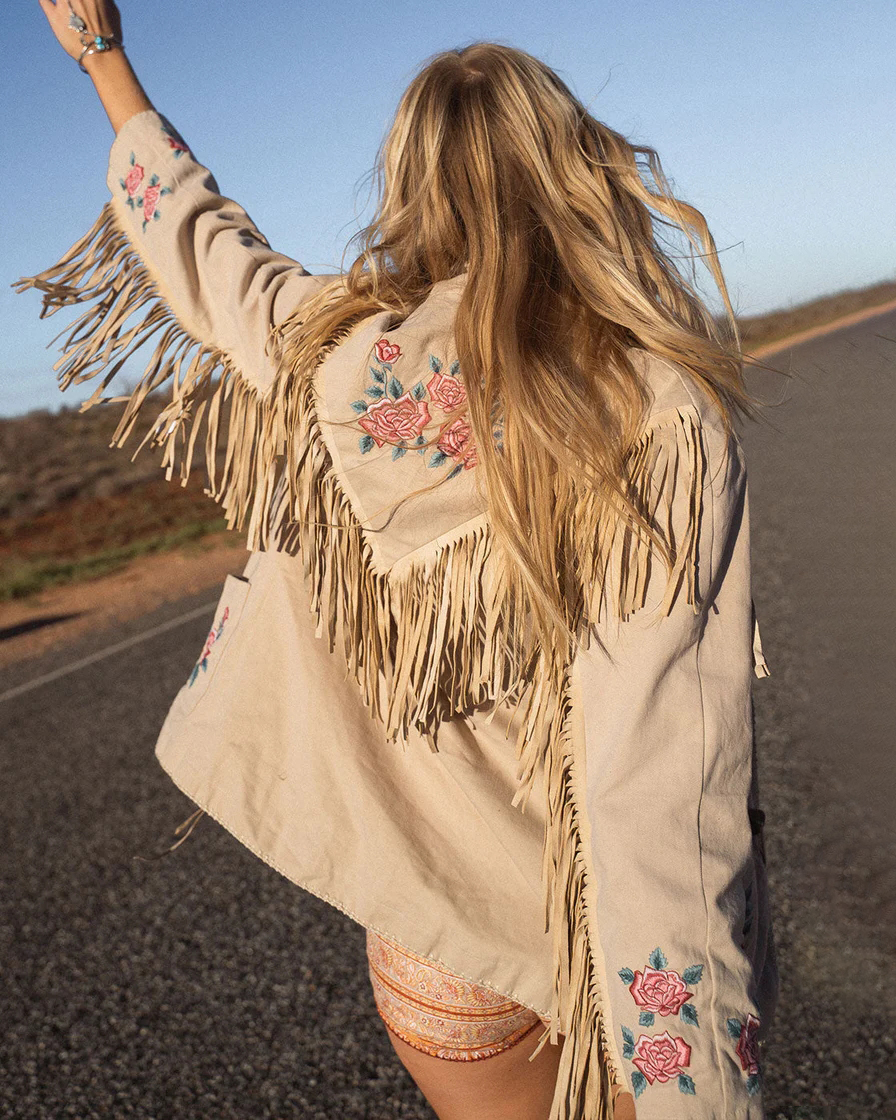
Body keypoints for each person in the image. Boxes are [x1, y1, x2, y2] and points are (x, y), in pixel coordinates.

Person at [19, 4, 779, 1118]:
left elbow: (201, 241)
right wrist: (697, 1085)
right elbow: (661, 773)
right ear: (579, 166)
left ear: (411, 189)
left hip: (429, 959)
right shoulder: (648, 407)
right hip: (580, 951)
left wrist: (103, 60)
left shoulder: (329, 354)